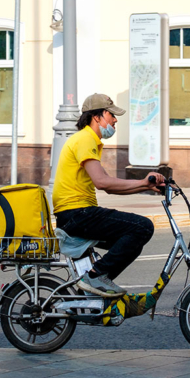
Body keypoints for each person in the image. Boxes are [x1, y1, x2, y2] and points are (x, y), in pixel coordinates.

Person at [52, 93, 165, 298]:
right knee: (142, 227)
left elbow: (109, 187)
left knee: (132, 241)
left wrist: (146, 186)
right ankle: (94, 277)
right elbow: (102, 182)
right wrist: (142, 181)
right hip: (77, 213)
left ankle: (93, 287)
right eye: (111, 114)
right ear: (97, 117)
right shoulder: (85, 139)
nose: (115, 120)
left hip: (76, 214)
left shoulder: (89, 140)